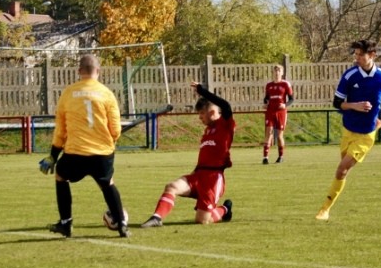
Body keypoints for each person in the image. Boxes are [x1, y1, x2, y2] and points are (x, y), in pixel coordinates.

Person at [39, 54, 128, 238]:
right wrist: (111, 140)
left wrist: (53, 155)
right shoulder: (107, 94)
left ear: (79, 71)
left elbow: (61, 130)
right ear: (98, 71)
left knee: (61, 175)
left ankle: (66, 223)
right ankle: (121, 225)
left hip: (76, 153)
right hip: (102, 152)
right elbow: (116, 129)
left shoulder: (68, 93)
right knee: (107, 183)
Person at [315, 39, 381, 221]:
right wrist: (355, 105)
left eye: (361, 55)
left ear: (372, 55)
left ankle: (325, 209)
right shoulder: (350, 75)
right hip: (348, 130)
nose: (357, 57)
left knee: (341, 169)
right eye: (356, 54)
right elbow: (337, 103)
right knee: (343, 171)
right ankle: (327, 207)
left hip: (365, 135)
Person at [140, 82, 235, 227]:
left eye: (201, 113)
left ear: (211, 111)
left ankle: (225, 209)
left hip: (213, 179)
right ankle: (156, 218)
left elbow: (226, 106)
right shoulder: (208, 131)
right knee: (172, 186)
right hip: (198, 175)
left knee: (202, 220)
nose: (200, 117)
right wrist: (195, 171)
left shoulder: (225, 124)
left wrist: (202, 91)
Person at [262, 64, 294, 164]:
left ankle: (281, 156)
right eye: (275, 71)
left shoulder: (285, 84)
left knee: (279, 135)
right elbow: (266, 98)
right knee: (268, 133)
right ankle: (265, 157)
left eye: (279, 71)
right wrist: (265, 103)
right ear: (273, 72)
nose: (277, 73)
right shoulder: (269, 85)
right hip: (270, 111)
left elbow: (291, 99)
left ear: (282, 73)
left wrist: (285, 105)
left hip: (280, 112)